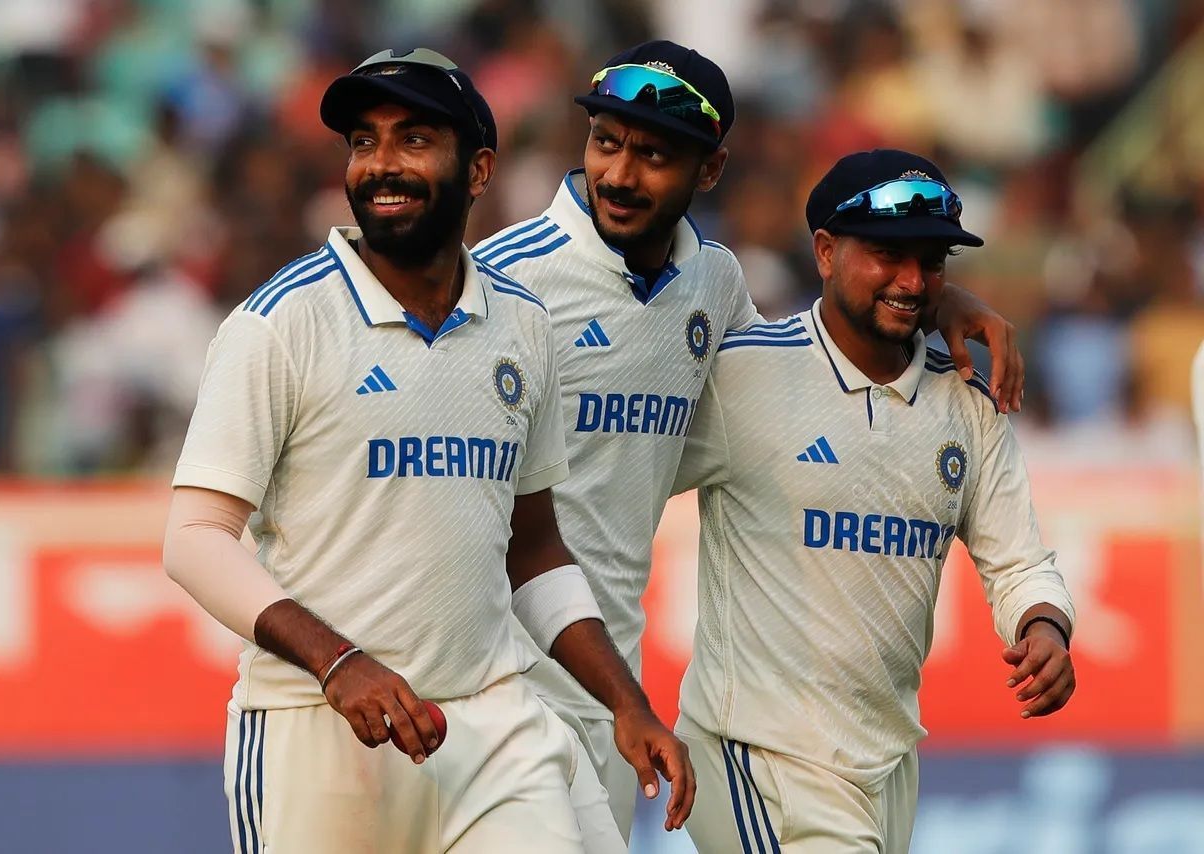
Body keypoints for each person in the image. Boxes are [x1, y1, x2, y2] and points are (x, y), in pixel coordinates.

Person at [472, 40, 1027, 841]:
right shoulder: (501, 281)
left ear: (709, 172)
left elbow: (803, 377)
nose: (620, 175)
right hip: (493, 672)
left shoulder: (715, 284)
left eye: (654, 155)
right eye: (606, 143)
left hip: (604, 681)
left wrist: (928, 296)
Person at [162, 47, 691, 854]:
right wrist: (339, 664)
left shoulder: (520, 323)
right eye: (363, 142)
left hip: (491, 722)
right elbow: (194, 541)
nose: (381, 165)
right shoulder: (280, 323)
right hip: (318, 727)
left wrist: (626, 701)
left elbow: (536, 551)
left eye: (413, 140)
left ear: (478, 170)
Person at [672, 148, 1077, 853]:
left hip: (887, 764)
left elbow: (1018, 562)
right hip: (753, 753)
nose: (913, 280)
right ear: (825, 252)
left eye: (933, 261)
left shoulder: (968, 401)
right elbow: (616, 481)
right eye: (888, 254)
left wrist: (1045, 627)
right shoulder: (743, 373)